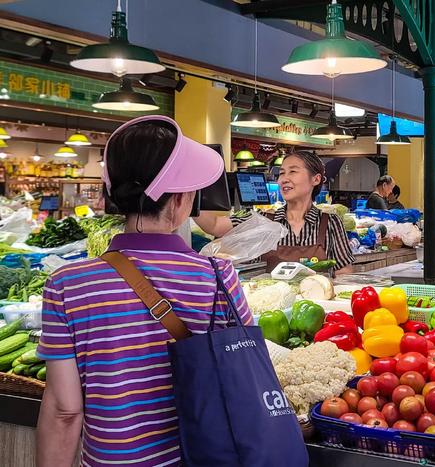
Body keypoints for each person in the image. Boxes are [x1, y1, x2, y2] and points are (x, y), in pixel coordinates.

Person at [35, 116, 253, 467]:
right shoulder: (219, 277)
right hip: (201, 456)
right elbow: (243, 374)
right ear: (182, 201)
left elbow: (64, 410)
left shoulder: (66, 285)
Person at [196, 151, 355, 274]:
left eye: (292, 172)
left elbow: (344, 270)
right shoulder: (263, 221)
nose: (283, 179)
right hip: (272, 311)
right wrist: (190, 193)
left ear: (316, 179)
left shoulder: (331, 222)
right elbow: (214, 226)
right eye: (281, 173)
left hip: (314, 309)